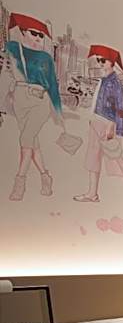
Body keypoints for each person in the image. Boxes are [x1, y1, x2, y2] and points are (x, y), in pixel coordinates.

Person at [73, 45, 123, 205]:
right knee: (93, 158)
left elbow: (119, 106)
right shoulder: (104, 80)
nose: (99, 63)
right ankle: (92, 193)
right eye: (98, 60)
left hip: (106, 123)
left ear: (112, 62)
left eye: (103, 60)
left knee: (117, 158)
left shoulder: (114, 82)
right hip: (96, 121)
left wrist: (112, 125)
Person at [4, 13, 65, 201]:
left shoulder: (46, 58)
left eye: (41, 35)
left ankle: (19, 184)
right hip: (20, 99)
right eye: (34, 33)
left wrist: (58, 112)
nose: (38, 38)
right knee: (32, 143)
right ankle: (45, 177)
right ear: (23, 32)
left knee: (26, 139)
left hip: (40, 100)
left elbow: (52, 85)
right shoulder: (13, 48)